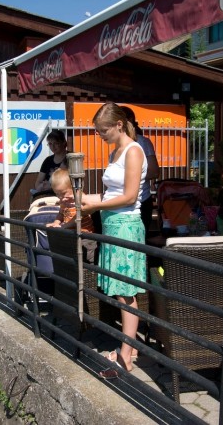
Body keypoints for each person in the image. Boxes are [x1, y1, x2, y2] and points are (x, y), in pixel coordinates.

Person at [81, 102, 147, 377]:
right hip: (112, 225)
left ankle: (125, 357)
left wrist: (94, 206)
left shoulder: (133, 151)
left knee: (125, 293)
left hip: (125, 226)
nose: (100, 135)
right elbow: (112, 196)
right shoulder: (117, 151)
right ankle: (129, 349)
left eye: (103, 130)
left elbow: (130, 197)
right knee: (122, 291)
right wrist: (85, 199)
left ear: (119, 125)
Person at [46, 168, 97, 264]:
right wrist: (56, 222)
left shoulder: (80, 198)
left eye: (64, 193)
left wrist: (64, 226)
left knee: (86, 261)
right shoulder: (63, 201)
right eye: (57, 194)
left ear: (73, 188)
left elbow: (78, 217)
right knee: (70, 260)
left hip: (85, 236)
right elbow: (61, 213)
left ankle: (88, 274)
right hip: (70, 235)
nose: (61, 197)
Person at [121, 106, 159, 232]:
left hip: (141, 200)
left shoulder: (143, 142)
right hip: (122, 202)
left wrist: (130, 176)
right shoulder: (116, 146)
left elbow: (154, 171)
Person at [32, 130, 68, 197]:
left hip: (65, 195)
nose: (53, 147)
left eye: (56, 143)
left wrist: (51, 186)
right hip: (47, 196)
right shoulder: (47, 160)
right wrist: (42, 187)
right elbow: (38, 182)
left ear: (63, 143)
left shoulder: (70, 158)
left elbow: (73, 182)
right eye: (50, 144)